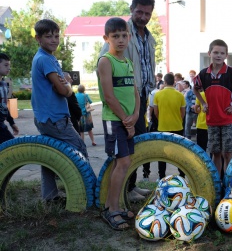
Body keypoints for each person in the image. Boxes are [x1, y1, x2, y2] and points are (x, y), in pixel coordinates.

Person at [99, 0, 155, 201]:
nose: (143, 16)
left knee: (136, 144)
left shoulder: (148, 36)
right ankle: (120, 194)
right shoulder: (120, 31)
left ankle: (130, 187)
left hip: (140, 95)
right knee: (123, 151)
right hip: (123, 98)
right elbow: (104, 60)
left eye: (147, 13)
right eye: (139, 12)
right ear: (132, 9)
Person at [31, 19, 88, 203]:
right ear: (38, 39)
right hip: (55, 118)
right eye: (48, 37)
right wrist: (68, 84)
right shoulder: (45, 59)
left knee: (50, 154)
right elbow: (63, 91)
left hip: (43, 116)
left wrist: (63, 81)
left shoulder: (46, 57)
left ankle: (50, 196)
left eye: (56, 36)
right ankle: (85, 192)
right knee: (79, 148)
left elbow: (59, 85)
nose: (54, 40)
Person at [97, 17, 140, 230]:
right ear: (106, 38)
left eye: (124, 35)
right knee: (122, 163)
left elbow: (135, 92)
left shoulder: (128, 62)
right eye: (115, 36)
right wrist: (126, 120)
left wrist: (136, 114)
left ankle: (112, 205)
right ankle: (112, 211)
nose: (121, 40)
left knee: (122, 163)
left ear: (129, 37)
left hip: (126, 120)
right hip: (113, 121)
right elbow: (109, 97)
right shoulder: (106, 61)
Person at [193, 39, 232, 176]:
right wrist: (203, 103)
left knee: (228, 153)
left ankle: (229, 182)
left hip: (228, 120)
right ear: (209, 53)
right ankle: (217, 183)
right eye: (215, 52)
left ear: (226, 55)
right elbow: (195, 88)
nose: (218, 55)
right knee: (215, 153)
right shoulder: (204, 74)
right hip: (212, 120)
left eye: (222, 53)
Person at [154, 73, 186, 179]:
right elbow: (183, 113)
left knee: (162, 154)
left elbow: (155, 112)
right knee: (179, 154)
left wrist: (161, 120)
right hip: (178, 127)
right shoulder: (180, 95)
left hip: (162, 127)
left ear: (165, 82)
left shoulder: (158, 94)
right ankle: (181, 175)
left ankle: (161, 176)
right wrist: (177, 120)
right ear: (174, 82)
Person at [0, 53, 19, 144]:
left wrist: (12, 123)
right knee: (12, 149)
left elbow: (4, 106)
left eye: (9, 65)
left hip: (2, 126)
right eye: (6, 65)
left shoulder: (4, 84)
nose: (9, 68)